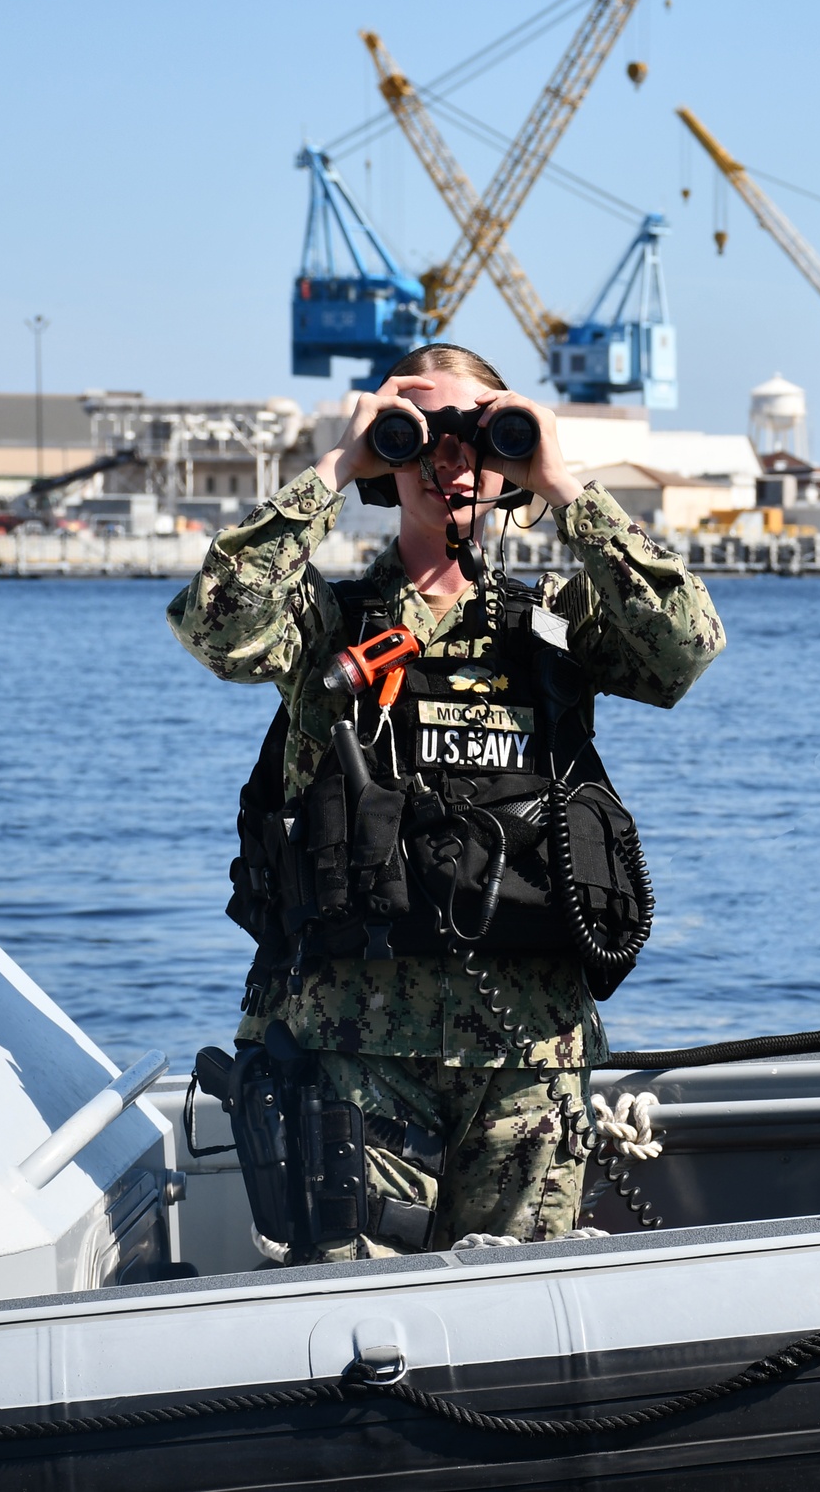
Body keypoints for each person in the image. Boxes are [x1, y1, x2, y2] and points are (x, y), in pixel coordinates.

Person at [167, 343, 725, 1263]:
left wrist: (562, 485)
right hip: (355, 1055)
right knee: (350, 1321)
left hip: (529, 1062)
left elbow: (685, 645)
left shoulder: (558, 621)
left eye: (476, 435)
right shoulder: (326, 626)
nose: (451, 462)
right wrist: (335, 467)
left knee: (517, 1330)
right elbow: (216, 621)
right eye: (421, 437)